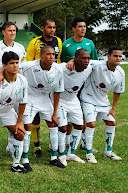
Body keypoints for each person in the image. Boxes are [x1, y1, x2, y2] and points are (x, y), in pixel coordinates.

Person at [21, 46, 65, 171]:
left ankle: (53, 158)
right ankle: (25, 159)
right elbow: (11, 67)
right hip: (30, 98)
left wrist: (55, 113)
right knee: (27, 126)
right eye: (48, 54)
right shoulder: (28, 66)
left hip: (45, 99)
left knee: (53, 124)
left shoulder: (58, 69)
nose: (52, 57)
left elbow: (57, 92)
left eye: (53, 54)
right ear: (41, 56)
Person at [0, 21, 26, 162]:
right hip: (0, 87)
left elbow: (22, 66)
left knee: (14, 118)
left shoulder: (21, 48)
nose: (12, 33)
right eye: (9, 30)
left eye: (14, 30)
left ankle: (11, 147)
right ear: (3, 32)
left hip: (16, 87)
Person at [79, 46, 124, 163]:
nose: (118, 58)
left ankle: (108, 151)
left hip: (103, 101)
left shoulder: (121, 72)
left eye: (120, 56)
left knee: (112, 122)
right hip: (88, 99)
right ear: (108, 56)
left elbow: (117, 91)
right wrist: (71, 61)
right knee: (91, 124)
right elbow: (82, 61)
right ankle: (89, 153)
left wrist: (113, 108)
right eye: (115, 56)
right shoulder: (96, 65)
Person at [26, 19, 63, 157]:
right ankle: (36, 146)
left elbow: (58, 61)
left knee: (53, 113)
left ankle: (51, 145)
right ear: (42, 28)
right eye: (49, 27)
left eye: (54, 27)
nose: (52, 30)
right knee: (35, 116)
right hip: (36, 82)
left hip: (52, 80)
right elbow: (29, 61)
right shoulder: (34, 42)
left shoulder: (58, 41)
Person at [61, 18, 99, 152]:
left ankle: (84, 142)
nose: (83, 29)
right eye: (80, 26)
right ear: (73, 29)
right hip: (70, 84)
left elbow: (94, 63)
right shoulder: (66, 44)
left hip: (85, 83)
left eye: (84, 26)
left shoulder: (90, 43)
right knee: (69, 114)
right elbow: (62, 65)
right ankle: (67, 141)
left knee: (83, 113)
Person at [57, 49, 92, 166]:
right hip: (60, 100)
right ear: (76, 59)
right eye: (83, 58)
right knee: (63, 128)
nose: (86, 61)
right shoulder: (64, 68)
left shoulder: (90, 67)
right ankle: (61, 155)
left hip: (73, 99)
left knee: (79, 125)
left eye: (88, 58)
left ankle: (71, 153)